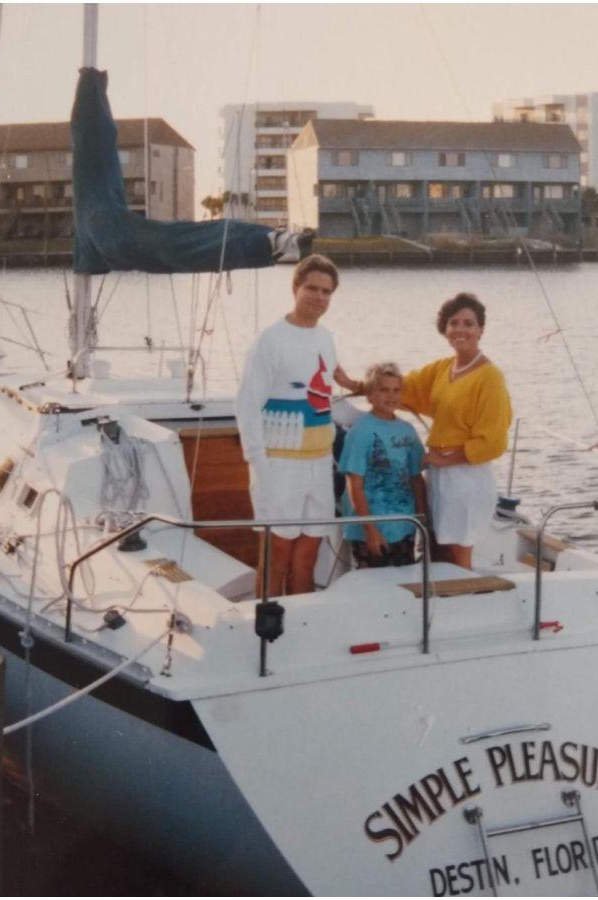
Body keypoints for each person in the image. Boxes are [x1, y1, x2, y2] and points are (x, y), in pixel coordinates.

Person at [70, 67, 311, 274]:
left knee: (162, 238)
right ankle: (268, 243)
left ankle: (266, 242)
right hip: (98, 228)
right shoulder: (101, 218)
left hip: (99, 228)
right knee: (162, 239)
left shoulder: (101, 217)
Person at [235, 254, 361, 596]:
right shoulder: (270, 340)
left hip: (319, 465)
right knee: (276, 558)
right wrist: (259, 464)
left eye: (326, 291)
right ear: (295, 288)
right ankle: (267, 632)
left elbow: (326, 371)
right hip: (279, 464)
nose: (319, 297)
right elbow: (246, 404)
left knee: (307, 557)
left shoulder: (326, 337)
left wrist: (355, 383)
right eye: (312, 288)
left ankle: (301, 625)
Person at [375, 293, 512, 570]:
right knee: (438, 548)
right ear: (445, 329)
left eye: (469, 323)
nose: (460, 330)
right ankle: (441, 607)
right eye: (454, 323)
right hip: (441, 475)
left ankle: (463, 606)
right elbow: (402, 387)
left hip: (467, 476)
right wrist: (354, 383)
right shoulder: (443, 368)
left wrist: (444, 459)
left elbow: (492, 441)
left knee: (458, 554)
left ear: (481, 330)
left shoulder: (490, 377)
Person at [339, 361, 428, 569]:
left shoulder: (408, 431)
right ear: (369, 395)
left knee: (403, 588)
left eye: (396, 390)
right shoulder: (360, 431)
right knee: (373, 590)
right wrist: (370, 530)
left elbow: (416, 479)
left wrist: (424, 524)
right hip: (371, 530)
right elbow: (355, 485)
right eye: (384, 390)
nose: (391, 396)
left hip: (405, 527)